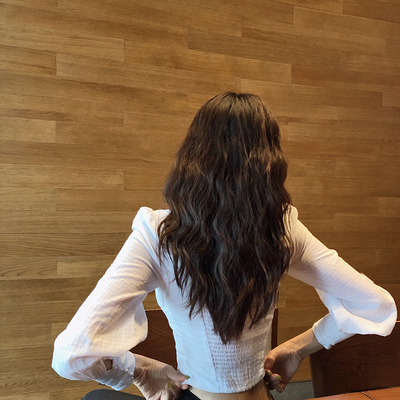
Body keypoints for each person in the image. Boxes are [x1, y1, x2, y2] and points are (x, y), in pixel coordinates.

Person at [52, 92, 397, 400]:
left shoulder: (159, 234)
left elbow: (71, 354)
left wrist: (138, 370)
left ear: (192, 155)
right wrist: (297, 348)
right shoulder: (283, 228)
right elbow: (377, 305)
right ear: (271, 160)